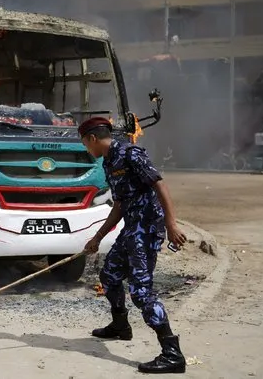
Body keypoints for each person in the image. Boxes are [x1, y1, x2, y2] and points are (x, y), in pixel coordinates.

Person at [79, 117, 187, 374]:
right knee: (109, 275)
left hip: (146, 229)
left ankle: (172, 354)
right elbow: (119, 204)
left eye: (85, 144)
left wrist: (171, 225)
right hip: (131, 229)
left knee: (141, 291)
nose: (86, 149)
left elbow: (159, 183)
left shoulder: (130, 153)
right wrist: (97, 237)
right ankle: (120, 326)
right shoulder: (108, 162)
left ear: (92, 139)